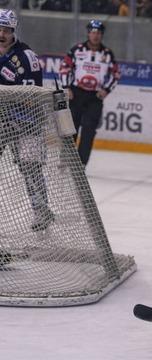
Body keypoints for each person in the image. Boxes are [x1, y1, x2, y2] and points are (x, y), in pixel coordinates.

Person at [0, 8, 54, 233]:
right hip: (2, 119)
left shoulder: (26, 57)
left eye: (6, 30)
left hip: (26, 121)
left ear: (14, 31)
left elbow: (31, 99)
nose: (1, 33)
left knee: (30, 167)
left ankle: (41, 211)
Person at [59, 19, 120, 167]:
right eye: (93, 32)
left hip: (94, 97)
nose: (95, 35)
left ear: (102, 35)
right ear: (88, 33)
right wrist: (66, 87)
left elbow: (116, 74)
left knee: (89, 131)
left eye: (98, 33)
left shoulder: (107, 54)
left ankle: (80, 165)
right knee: (70, 129)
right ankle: (65, 159)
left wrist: (106, 90)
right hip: (76, 94)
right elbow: (64, 67)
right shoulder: (77, 50)